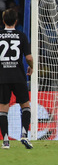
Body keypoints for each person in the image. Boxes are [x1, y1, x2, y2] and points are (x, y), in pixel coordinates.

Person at [0, 8, 34, 149]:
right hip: (19, 76)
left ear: (3, 21)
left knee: (3, 109)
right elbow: (29, 57)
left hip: (2, 77)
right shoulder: (21, 35)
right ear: (16, 21)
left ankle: (6, 141)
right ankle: (24, 135)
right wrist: (31, 66)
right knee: (25, 106)